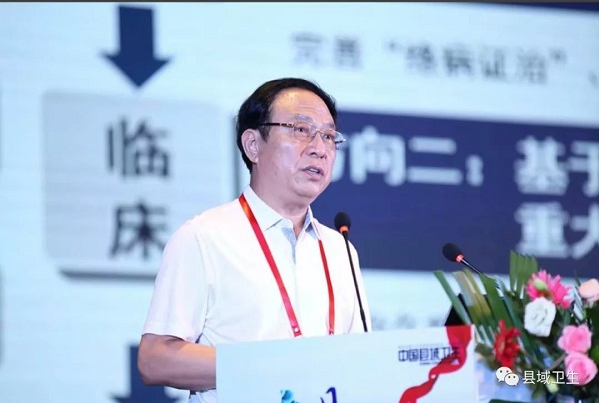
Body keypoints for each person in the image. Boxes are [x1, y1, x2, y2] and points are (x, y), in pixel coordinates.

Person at [137, 77, 372, 402]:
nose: (319, 148)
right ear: (253, 145)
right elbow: (155, 359)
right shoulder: (204, 238)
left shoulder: (339, 249)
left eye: (329, 136)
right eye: (301, 130)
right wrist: (272, 365)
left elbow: (359, 362)